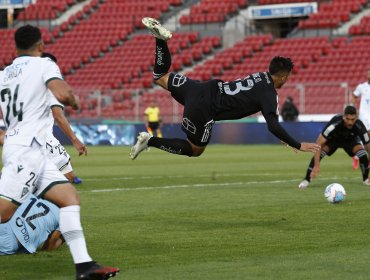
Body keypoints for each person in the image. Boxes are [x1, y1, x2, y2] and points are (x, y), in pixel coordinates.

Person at [0, 25, 119, 279]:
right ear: (41, 46)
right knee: (3, 213)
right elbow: (63, 94)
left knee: (69, 198)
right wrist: (74, 100)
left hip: (30, 149)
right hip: (26, 151)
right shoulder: (44, 65)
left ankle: (84, 266)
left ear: (15, 48)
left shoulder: (5, 73)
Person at [130, 17, 320, 160]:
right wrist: (298, 143)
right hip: (205, 107)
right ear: (284, 76)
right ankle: (150, 141)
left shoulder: (260, 76)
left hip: (198, 88)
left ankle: (160, 40)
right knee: (195, 149)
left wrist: (285, 138)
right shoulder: (269, 93)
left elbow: (272, 120)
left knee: (160, 77)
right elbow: (272, 125)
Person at [298, 105, 370, 189]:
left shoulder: (360, 126)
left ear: (356, 117)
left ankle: (366, 179)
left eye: (352, 119)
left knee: (362, 153)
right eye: (347, 119)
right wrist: (317, 165)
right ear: (344, 117)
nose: (350, 122)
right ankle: (306, 180)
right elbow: (318, 144)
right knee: (320, 153)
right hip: (333, 140)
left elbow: (368, 147)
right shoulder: (335, 123)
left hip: (350, 140)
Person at [42, 52, 85, 184]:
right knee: (67, 179)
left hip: (21, 137)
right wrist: (75, 140)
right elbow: (58, 116)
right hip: (41, 137)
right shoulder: (51, 88)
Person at [351, 69, 370, 170]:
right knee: (367, 134)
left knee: (365, 138)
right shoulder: (362, 87)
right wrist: (353, 108)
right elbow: (354, 96)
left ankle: (356, 156)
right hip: (365, 115)